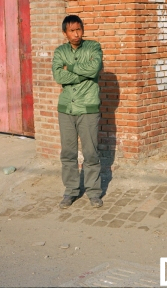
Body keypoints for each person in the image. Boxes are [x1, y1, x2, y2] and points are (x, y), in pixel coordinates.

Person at [52, 15, 103, 209]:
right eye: (72, 31)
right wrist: (79, 72)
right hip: (66, 109)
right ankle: (71, 191)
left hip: (88, 108)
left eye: (79, 29)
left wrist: (70, 68)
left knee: (90, 152)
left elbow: (94, 68)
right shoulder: (60, 51)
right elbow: (58, 74)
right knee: (68, 153)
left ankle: (94, 192)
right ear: (65, 33)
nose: (76, 34)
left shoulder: (93, 47)